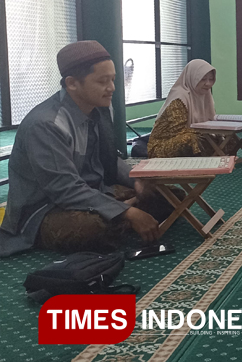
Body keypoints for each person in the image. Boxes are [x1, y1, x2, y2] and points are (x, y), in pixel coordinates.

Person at [0, 41, 168, 256]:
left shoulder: (100, 108)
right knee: (91, 230)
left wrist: (137, 181)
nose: (112, 88)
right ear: (72, 83)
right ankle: (120, 219)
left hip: (92, 191)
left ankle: (121, 216)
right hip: (46, 208)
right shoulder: (47, 124)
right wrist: (128, 211)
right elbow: (64, 189)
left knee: (165, 195)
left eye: (113, 79)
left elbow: (108, 159)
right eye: (102, 81)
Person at [148, 59, 218, 158]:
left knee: (226, 138)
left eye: (211, 79)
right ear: (192, 78)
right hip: (163, 143)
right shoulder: (179, 98)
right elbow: (177, 131)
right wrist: (206, 131)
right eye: (203, 79)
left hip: (198, 135)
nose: (208, 84)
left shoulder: (205, 95)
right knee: (191, 140)